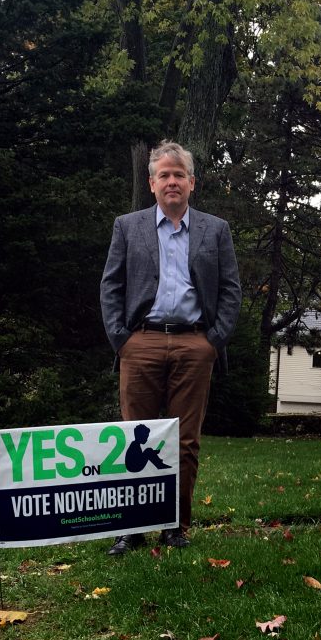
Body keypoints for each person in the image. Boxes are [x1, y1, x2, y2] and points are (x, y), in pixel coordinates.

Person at [100, 140, 241, 554]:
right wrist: (121, 340)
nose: (172, 182)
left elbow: (231, 290)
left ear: (192, 183)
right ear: (151, 183)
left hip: (194, 344)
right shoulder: (128, 226)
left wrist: (212, 342)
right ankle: (132, 528)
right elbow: (111, 286)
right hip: (140, 342)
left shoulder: (216, 230)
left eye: (179, 175)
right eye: (164, 175)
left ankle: (175, 527)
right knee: (133, 440)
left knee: (184, 441)